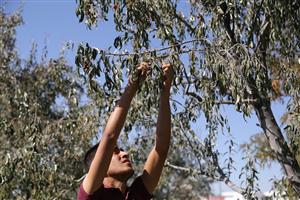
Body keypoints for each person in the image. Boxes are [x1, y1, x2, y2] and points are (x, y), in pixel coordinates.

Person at [77, 62, 174, 200]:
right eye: (115, 152)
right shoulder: (91, 194)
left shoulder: (134, 195)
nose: (125, 153)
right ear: (97, 165)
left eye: (120, 150)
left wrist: (165, 90)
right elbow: (110, 137)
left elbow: (161, 148)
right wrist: (131, 87)